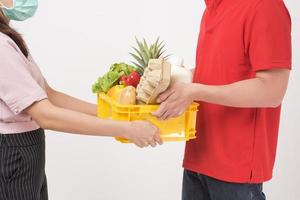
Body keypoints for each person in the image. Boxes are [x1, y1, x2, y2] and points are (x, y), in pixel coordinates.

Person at [0, 0, 163, 199]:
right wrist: (128, 129)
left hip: (25, 150)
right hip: (14, 152)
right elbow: (45, 115)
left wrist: (115, 114)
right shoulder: (1, 47)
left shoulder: (8, 40)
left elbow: (50, 95)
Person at [153, 0, 291, 199]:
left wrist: (194, 91)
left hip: (236, 169)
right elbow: (218, 73)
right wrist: (176, 81)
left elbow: (272, 91)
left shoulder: (265, 6)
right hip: (197, 158)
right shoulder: (213, 7)